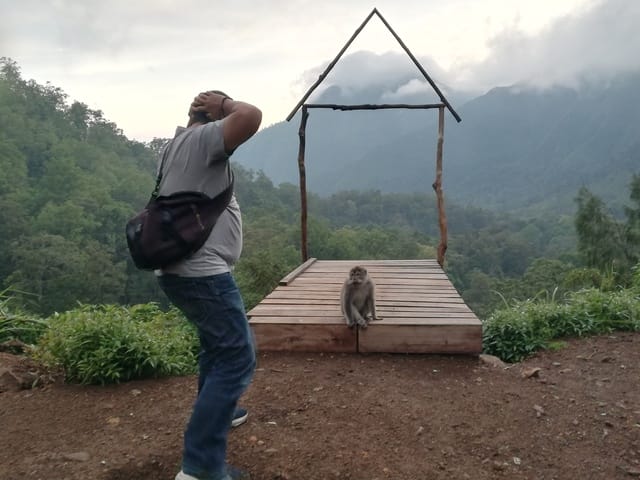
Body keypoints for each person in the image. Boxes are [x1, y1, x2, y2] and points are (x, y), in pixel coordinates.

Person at [156, 90, 262, 480]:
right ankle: (199, 469)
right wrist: (228, 106)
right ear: (211, 117)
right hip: (203, 274)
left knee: (216, 349)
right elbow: (251, 117)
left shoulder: (176, 145)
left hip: (184, 270)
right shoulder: (201, 140)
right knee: (237, 357)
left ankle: (222, 410)